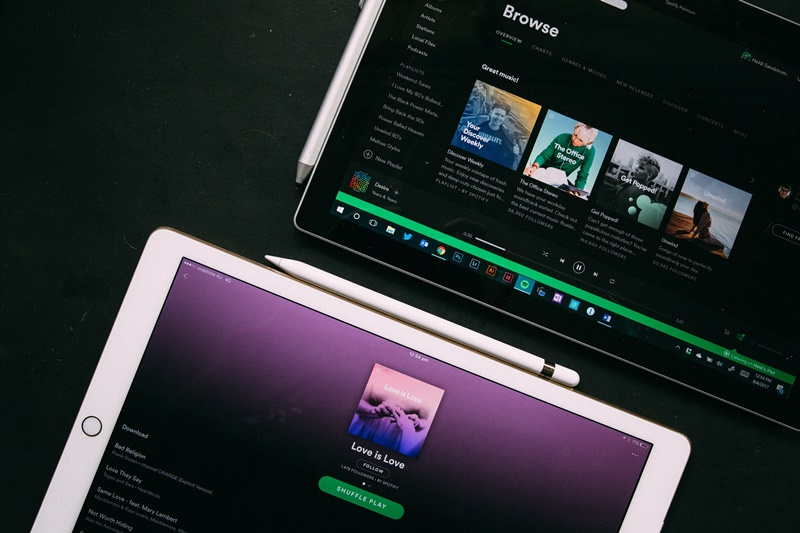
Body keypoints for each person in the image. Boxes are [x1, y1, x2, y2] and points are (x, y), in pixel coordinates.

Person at [523, 123, 598, 193]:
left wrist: (577, 191)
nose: (575, 140)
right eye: (575, 135)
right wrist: (534, 167)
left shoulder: (590, 152)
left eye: (581, 140)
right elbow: (544, 155)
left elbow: (583, 174)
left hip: (559, 181)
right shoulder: (562, 137)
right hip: (542, 171)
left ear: (588, 142)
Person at [600, 153, 663, 227]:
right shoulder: (626, 184)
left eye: (641, 168)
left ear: (649, 175)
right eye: (638, 166)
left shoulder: (648, 201)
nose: (636, 169)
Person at [451, 101, 520, 168]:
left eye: (502, 116)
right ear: (491, 112)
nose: (498, 118)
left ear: (504, 118)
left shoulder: (506, 138)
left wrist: (513, 153)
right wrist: (462, 133)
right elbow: (461, 144)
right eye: (496, 114)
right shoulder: (477, 128)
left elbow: (505, 162)